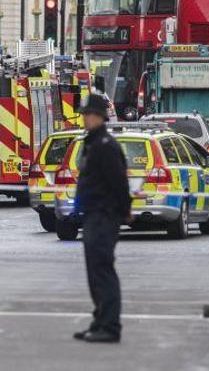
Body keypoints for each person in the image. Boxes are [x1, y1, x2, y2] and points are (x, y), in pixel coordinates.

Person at [72, 93, 132, 343]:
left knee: (102, 269)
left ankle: (110, 326)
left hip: (104, 215)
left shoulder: (106, 145)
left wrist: (125, 210)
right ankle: (100, 321)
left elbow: (118, 182)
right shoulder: (92, 142)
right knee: (94, 271)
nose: (84, 119)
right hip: (93, 214)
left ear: (98, 116)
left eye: (87, 114)